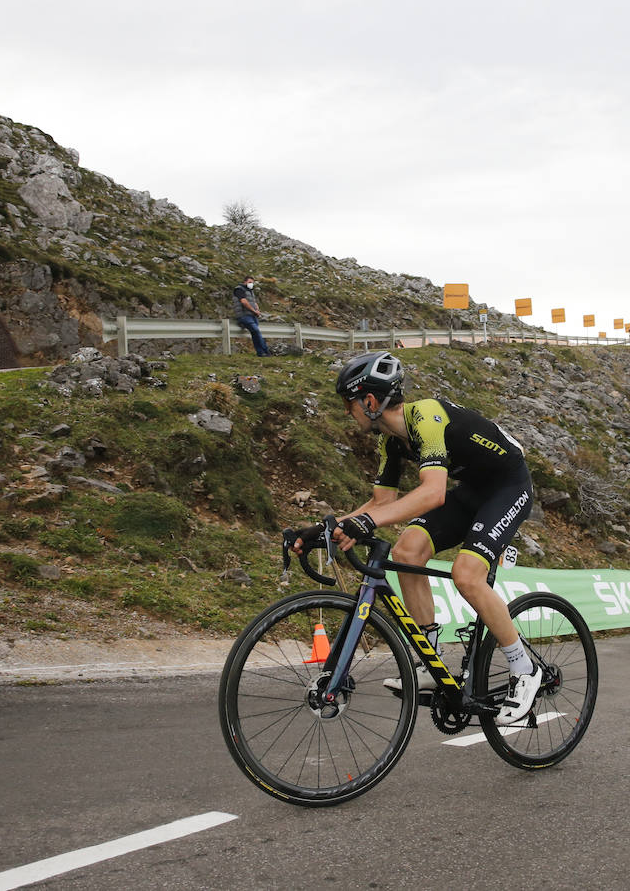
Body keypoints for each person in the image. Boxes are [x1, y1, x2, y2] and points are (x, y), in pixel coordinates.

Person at [294, 351, 541, 725]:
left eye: (350, 404)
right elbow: (382, 502)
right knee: (408, 550)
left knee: (467, 574)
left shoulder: (426, 415)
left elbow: (433, 493)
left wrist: (367, 521)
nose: (349, 413)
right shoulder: (391, 442)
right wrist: (325, 528)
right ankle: (432, 659)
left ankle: (524, 669)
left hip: (509, 486)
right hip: (474, 489)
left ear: (371, 401)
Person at [232, 276, 272, 356]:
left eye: (252, 283)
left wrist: (257, 310)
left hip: (252, 315)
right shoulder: (239, 289)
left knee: (255, 334)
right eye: (250, 282)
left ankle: (260, 353)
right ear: (245, 282)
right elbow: (244, 302)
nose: (251, 284)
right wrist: (254, 311)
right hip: (244, 315)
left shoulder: (250, 291)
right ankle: (266, 351)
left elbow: (254, 302)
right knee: (256, 331)